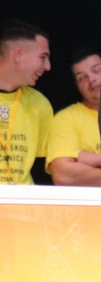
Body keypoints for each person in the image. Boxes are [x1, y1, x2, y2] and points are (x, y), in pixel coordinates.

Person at [0, 21, 52, 185]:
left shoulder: (39, 104)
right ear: (18, 55)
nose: (48, 67)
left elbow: (49, 163)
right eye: (43, 57)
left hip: (22, 198)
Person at [46, 48, 101, 187]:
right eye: (81, 77)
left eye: (97, 70)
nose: (91, 79)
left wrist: (89, 159)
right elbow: (63, 175)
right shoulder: (66, 118)